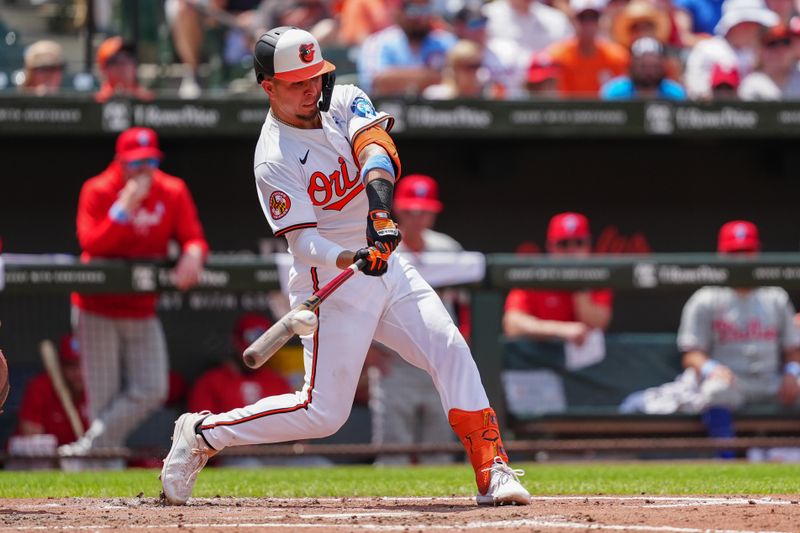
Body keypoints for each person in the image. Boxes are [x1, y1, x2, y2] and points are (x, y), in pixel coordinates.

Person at [160, 26, 530, 507]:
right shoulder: (273, 157)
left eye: (315, 76)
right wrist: (350, 255)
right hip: (331, 278)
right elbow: (303, 242)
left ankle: (491, 469)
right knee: (322, 414)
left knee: (449, 347)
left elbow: (376, 148)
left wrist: (379, 214)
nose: (311, 88)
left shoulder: (344, 98)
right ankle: (204, 433)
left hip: (386, 261)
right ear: (267, 86)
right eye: (296, 82)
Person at [60, 127, 208, 458]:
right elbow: (92, 245)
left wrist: (193, 254)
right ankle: (101, 468)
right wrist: (124, 207)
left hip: (142, 307)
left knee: (154, 388)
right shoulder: (98, 189)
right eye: (135, 163)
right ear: (120, 162)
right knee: (103, 399)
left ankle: (87, 450)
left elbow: (194, 237)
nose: (143, 170)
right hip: (97, 306)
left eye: (150, 161)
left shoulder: (172, 190)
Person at [621, 221, 800, 446]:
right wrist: (711, 368)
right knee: (715, 391)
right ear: (721, 255)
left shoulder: (776, 297)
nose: (741, 259)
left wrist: (792, 372)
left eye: (747, 252)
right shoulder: (706, 298)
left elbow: (793, 349)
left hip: (771, 381)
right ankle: (725, 458)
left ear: (758, 252)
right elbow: (691, 354)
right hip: (733, 381)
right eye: (735, 253)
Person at [368, 174, 463, 465]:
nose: (418, 217)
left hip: (436, 360)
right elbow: (362, 305)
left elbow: (466, 308)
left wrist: (456, 352)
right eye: (411, 210)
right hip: (393, 363)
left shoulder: (449, 249)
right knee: (392, 452)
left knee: (439, 451)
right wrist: (368, 352)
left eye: (424, 210)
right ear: (398, 210)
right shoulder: (381, 248)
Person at [503, 212, 613, 345]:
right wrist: (560, 330)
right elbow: (512, 323)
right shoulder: (535, 274)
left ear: (589, 245)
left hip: (585, 359)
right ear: (550, 247)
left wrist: (579, 284)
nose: (572, 251)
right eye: (564, 244)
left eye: (579, 243)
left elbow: (600, 323)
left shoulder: (597, 276)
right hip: (540, 356)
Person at [188, 313, 293, 413]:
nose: (254, 357)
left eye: (261, 351)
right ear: (234, 341)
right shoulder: (210, 382)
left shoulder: (278, 382)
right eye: (249, 350)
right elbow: (201, 427)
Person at [684, 0, 779, 99]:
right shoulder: (706, 50)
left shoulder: (762, 53)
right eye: (748, 23)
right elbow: (696, 91)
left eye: (756, 23)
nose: (754, 28)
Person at [358, 0, 457, 95]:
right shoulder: (377, 42)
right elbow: (378, 83)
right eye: (413, 9)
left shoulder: (446, 41)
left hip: (439, 111)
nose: (421, 16)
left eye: (425, 9)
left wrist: (401, 78)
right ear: (398, 11)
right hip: (388, 108)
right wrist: (436, 76)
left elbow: (462, 80)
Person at [16, 335, 89, 446]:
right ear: (60, 366)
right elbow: (31, 439)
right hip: (34, 459)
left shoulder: (93, 390)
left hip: (76, 458)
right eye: (71, 366)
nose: (78, 373)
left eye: (82, 365)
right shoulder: (40, 387)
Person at [547, 0, 630, 97]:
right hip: (568, 111)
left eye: (593, 18)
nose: (588, 24)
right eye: (583, 18)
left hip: (605, 111)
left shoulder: (618, 56)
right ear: (574, 20)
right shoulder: (557, 56)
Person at [601, 36, 687, 98]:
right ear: (633, 65)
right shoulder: (615, 92)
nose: (649, 71)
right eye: (643, 66)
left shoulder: (675, 93)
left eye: (653, 66)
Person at [738, 23, 800, 99]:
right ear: (759, 50)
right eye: (772, 44)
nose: (780, 50)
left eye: (785, 42)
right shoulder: (752, 85)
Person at [422, 40, 499, 99]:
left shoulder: (488, 95)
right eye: (469, 66)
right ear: (454, 68)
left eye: (477, 65)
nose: (474, 71)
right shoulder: (436, 96)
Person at [94, 37, 154, 103]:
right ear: (104, 68)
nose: (124, 64)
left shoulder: (149, 100)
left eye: (128, 56)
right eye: (115, 61)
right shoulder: (96, 102)